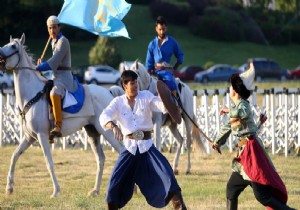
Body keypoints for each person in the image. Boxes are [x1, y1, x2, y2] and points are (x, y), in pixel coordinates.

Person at [211, 62, 295, 210]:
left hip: (251, 155)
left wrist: (228, 111)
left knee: (262, 196)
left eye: (231, 86)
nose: (229, 89)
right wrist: (217, 142)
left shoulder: (242, 105)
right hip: (244, 156)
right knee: (231, 189)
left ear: (236, 90)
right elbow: (228, 127)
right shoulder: (237, 107)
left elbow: (243, 113)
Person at [99, 70, 187, 210]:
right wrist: (113, 126)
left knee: (168, 176)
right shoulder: (118, 102)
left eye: (136, 82)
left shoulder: (146, 96)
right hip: (129, 150)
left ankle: (181, 207)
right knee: (113, 187)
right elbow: (104, 116)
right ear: (124, 85)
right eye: (132, 83)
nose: (136, 85)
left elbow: (161, 106)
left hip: (147, 148)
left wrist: (169, 100)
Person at [36, 15, 78, 142]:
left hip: (64, 79)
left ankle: (58, 126)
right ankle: (48, 126)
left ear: (59, 27)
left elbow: (53, 63)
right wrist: (40, 64)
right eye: (49, 28)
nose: (52, 31)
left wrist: (37, 67)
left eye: (54, 27)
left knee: (54, 93)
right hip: (55, 77)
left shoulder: (63, 41)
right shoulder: (53, 41)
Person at [145, 16, 184, 99]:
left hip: (167, 72)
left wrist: (174, 68)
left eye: (163, 29)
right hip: (154, 73)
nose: (162, 32)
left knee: (171, 83)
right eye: (160, 29)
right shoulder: (152, 44)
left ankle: (177, 103)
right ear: (156, 29)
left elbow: (180, 56)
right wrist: (150, 73)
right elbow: (148, 63)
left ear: (166, 28)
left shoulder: (172, 42)